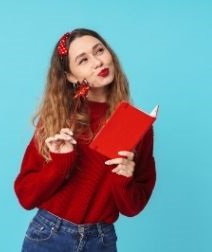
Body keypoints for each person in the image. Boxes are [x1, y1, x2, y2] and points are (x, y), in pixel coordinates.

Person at [14, 28, 156, 252]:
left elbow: (132, 207)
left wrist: (124, 178)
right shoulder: (58, 119)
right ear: (71, 76)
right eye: (83, 60)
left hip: (101, 240)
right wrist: (60, 164)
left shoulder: (136, 125)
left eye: (99, 50)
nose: (97, 62)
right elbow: (26, 196)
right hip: (49, 235)